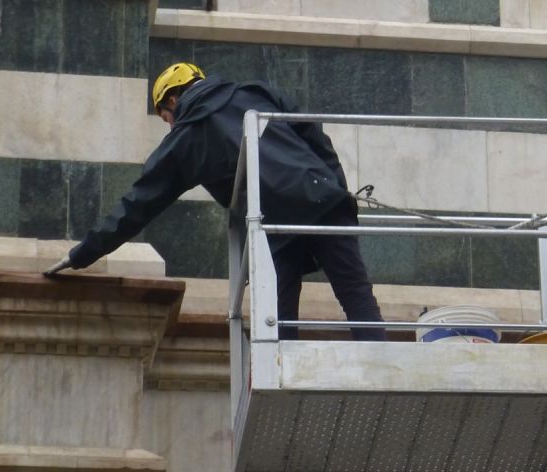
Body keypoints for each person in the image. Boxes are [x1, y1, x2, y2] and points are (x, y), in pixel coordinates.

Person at [45, 62, 386, 340]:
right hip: (322, 199)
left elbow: (136, 206)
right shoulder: (255, 93)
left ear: (173, 102)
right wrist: (335, 186)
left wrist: (82, 253)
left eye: (165, 117)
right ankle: (383, 369)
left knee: (280, 322)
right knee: (356, 294)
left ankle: (283, 384)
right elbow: (313, 133)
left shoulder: (186, 137)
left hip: (273, 224)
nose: (169, 125)